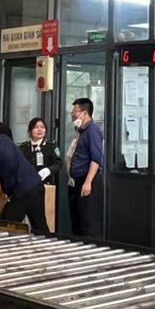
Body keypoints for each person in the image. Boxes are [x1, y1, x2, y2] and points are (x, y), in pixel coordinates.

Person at [0, 121, 48, 233]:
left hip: (22, 191)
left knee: (6, 225)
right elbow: (4, 182)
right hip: (37, 185)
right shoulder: (3, 138)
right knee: (40, 225)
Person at [66, 97, 103, 238]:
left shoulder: (92, 131)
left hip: (88, 181)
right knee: (78, 221)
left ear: (85, 113)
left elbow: (96, 159)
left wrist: (88, 182)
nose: (72, 114)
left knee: (88, 223)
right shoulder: (81, 132)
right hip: (77, 182)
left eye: (75, 111)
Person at [19, 117, 61, 185]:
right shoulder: (23, 147)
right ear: (30, 131)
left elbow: (58, 164)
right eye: (36, 127)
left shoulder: (51, 146)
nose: (39, 130)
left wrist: (48, 170)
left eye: (42, 127)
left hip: (45, 183)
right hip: (26, 183)